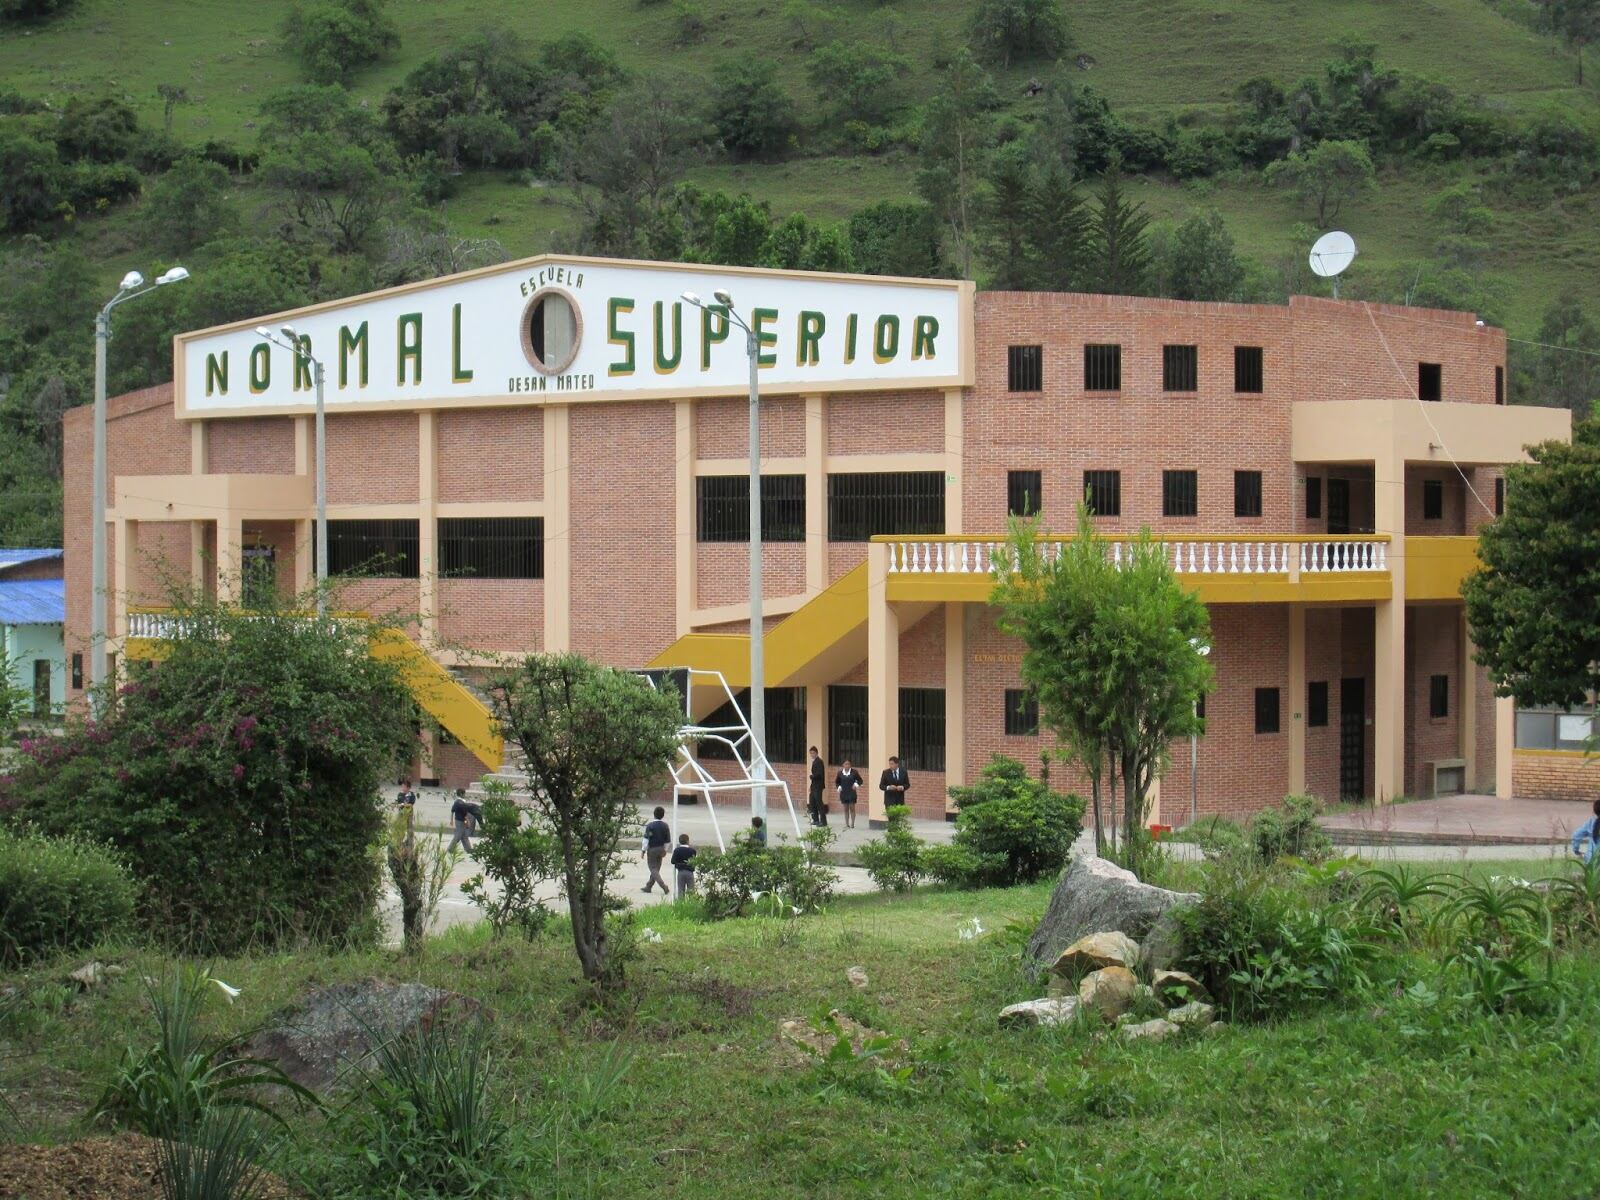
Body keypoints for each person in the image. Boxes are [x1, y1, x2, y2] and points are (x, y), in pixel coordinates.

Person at [642, 806, 672, 894]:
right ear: (663, 815)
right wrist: (665, 850)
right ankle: (649, 886)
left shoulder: (650, 826)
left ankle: (663, 886)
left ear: (654, 814)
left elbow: (646, 839)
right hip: (661, 848)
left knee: (653, 868)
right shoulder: (665, 826)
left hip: (652, 849)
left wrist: (643, 850)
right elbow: (668, 840)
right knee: (657, 869)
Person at [835, 759, 864, 829]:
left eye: (848, 764)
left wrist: (856, 784)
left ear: (850, 765)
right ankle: (846, 824)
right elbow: (837, 782)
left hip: (851, 792)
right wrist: (839, 787)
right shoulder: (840, 773)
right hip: (844, 793)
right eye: (845, 764)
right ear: (843, 765)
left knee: (852, 808)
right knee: (845, 809)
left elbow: (860, 780)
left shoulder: (854, 772)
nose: (847, 765)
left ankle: (852, 824)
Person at [1571, 798, 1600, 865]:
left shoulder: (1590, 823)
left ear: (1595, 811)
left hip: (1592, 861)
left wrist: (1576, 851)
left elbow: (1576, 835)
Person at [448, 787, 475, 853]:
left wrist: (451, 820)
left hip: (457, 820)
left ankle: (468, 849)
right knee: (458, 835)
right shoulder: (462, 803)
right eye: (464, 793)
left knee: (464, 835)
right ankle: (450, 848)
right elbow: (464, 814)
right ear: (461, 794)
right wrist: (467, 821)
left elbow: (452, 811)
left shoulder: (456, 802)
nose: (465, 795)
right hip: (461, 821)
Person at [671, 833, 697, 899]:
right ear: (688, 841)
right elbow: (694, 861)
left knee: (681, 891)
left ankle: (681, 905)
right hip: (690, 872)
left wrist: (679, 863)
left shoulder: (677, 850)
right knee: (691, 891)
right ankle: (692, 904)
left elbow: (673, 861)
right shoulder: (692, 851)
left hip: (681, 872)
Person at [807, 745, 827, 827]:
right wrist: (811, 786)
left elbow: (819, 774)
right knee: (812, 802)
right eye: (811, 753)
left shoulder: (819, 761)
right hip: (814, 785)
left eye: (813, 753)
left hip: (818, 786)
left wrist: (812, 776)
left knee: (819, 803)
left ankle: (823, 821)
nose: (812, 755)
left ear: (816, 753)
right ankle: (815, 819)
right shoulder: (814, 761)